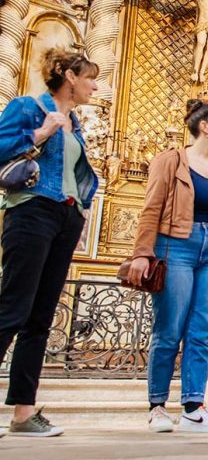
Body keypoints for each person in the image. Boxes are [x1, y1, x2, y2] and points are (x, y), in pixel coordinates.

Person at [126, 99, 208, 434]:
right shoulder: (170, 161)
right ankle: (158, 407)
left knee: (201, 331)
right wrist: (142, 253)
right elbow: (151, 207)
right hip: (175, 244)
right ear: (204, 126)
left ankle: (194, 407)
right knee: (169, 329)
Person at [0, 48, 100, 438]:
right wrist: (40, 133)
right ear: (70, 77)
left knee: (40, 318)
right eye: (89, 77)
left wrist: (79, 210)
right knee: (12, 308)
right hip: (32, 210)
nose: (94, 85)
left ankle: (24, 412)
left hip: (64, 216)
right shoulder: (29, 107)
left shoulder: (75, 122)